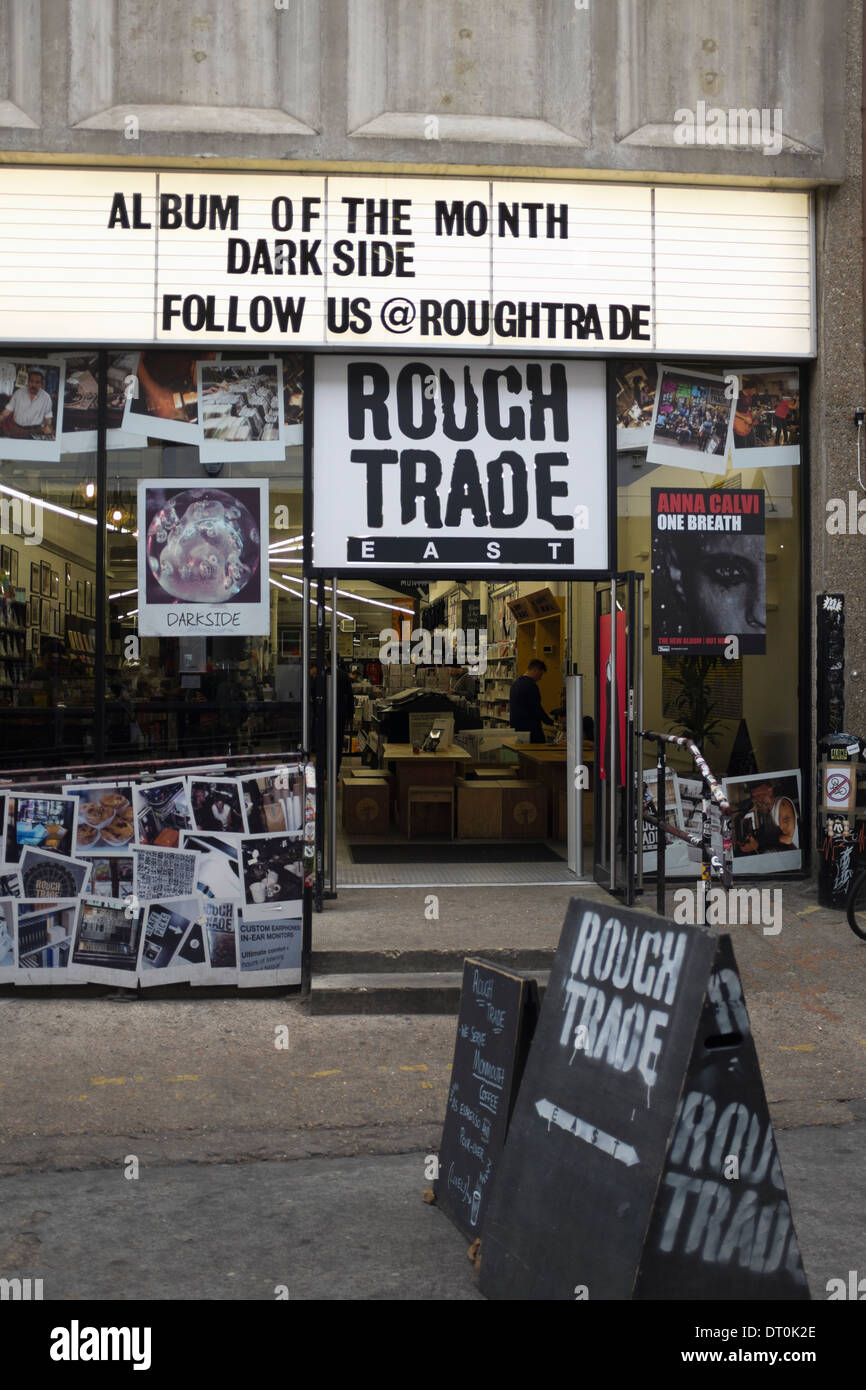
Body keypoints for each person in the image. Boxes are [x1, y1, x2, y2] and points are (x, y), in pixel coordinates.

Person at [736, 781, 799, 856]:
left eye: (759, 795)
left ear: (770, 791)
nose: (756, 800)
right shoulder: (766, 810)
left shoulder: (782, 804)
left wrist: (759, 843)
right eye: (754, 796)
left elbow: (788, 839)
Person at [509, 659, 554, 743]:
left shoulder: (515, 684)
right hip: (530, 727)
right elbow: (536, 707)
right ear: (535, 670)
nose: (540, 678)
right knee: (539, 749)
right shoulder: (531, 685)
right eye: (540, 674)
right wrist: (549, 721)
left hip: (516, 726)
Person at [0, 369, 54, 437]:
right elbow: (6, 412)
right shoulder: (18, 393)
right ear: (28, 382)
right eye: (31, 381)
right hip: (17, 430)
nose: (33, 384)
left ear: (41, 384)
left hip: (37, 431)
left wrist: (48, 427)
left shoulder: (46, 398)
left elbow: (48, 418)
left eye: (37, 382)